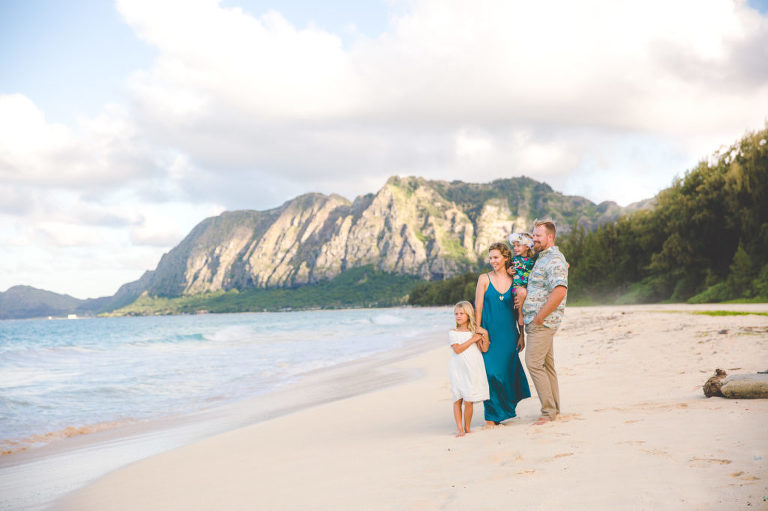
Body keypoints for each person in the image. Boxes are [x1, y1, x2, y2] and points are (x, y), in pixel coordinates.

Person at [515, 219, 568, 424]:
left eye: (538, 236)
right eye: (534, 235)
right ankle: (554, 408)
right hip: (538, 321)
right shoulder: (542, 258)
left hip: (542, 323)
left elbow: (560, 290)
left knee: (533, 363)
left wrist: (539, 316)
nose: (534, 239)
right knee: (546, 365)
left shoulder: (554, 259)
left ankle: (548, 412)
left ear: (550, 237)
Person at [475, 242, 531, 427]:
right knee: (491, 374)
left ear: (506, 258)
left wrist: (521, 334)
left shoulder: (514, 279)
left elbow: (518, 310)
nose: (492, 261)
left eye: (496, 257)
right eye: (490, 257)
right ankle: (491, 417)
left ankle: (502, 413)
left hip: (509, 334)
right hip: (489, 335)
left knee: (506, 374)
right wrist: (478, 329)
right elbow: (478, 306)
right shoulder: (484, 279)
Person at [448, 301, 490, 437]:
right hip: (458, 369)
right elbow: (458, 349)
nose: (458, 316)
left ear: (468, 315)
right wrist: (473, 339)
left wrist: (485, 335)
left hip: (472, 368)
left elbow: (484, 349)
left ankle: (467, 427)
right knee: (457, 399)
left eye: (461, 313)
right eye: (456, 314)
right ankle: (460, 429)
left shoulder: (474, 332)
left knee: (468, 399)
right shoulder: (453, 333)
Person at [508, 232, 536, 341]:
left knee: (524, 292)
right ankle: (520, 315)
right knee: (522, 292)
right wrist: (508, 270)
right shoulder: (514, 260)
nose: (515, 248)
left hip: (528, 288)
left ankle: (522, 335)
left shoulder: (533, 260)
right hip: (517, 288)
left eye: (518, 245)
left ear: (527, 246)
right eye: (514, 245)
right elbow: (506, 269)